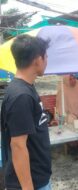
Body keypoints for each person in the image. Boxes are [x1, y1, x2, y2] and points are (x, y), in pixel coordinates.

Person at [1, 35, 52, 189]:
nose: (47, 61)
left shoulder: (25, 88)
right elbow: (18, 146)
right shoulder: (21, 96)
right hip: (30, 184)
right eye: (46, 57)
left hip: (39, 178)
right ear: (37, 60)